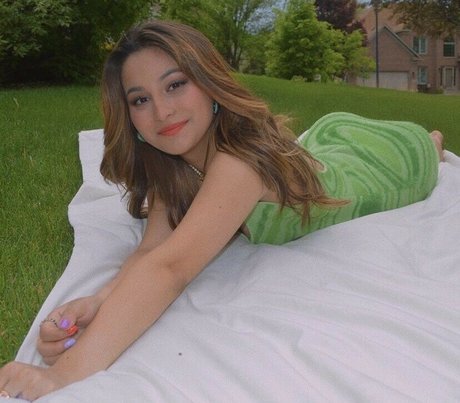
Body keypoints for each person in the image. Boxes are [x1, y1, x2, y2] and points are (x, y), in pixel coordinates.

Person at [0, 20, 444, 400]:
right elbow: (151, 251)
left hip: (380, 166)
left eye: (175, 84)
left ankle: (430, 141)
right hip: (327, 145)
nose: (162, 111)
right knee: (307, 150)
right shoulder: (173, 165)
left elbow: (171, 268)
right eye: (140, 99)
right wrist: (98, 302)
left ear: (209, 83)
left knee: (428, 144)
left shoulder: (238, 165)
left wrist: (64, 375)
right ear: (128, 115)